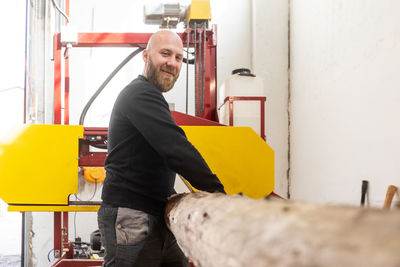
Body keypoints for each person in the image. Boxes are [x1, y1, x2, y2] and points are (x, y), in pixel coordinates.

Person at [97, 30, 225, 267]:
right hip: (133, 216)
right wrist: (218, 193)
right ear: (146, 56)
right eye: (165, 54)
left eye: (178, 57)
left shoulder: (150, 96)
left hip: (155, 213)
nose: (172, 63)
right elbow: (175, 148)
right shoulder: (140, 94)